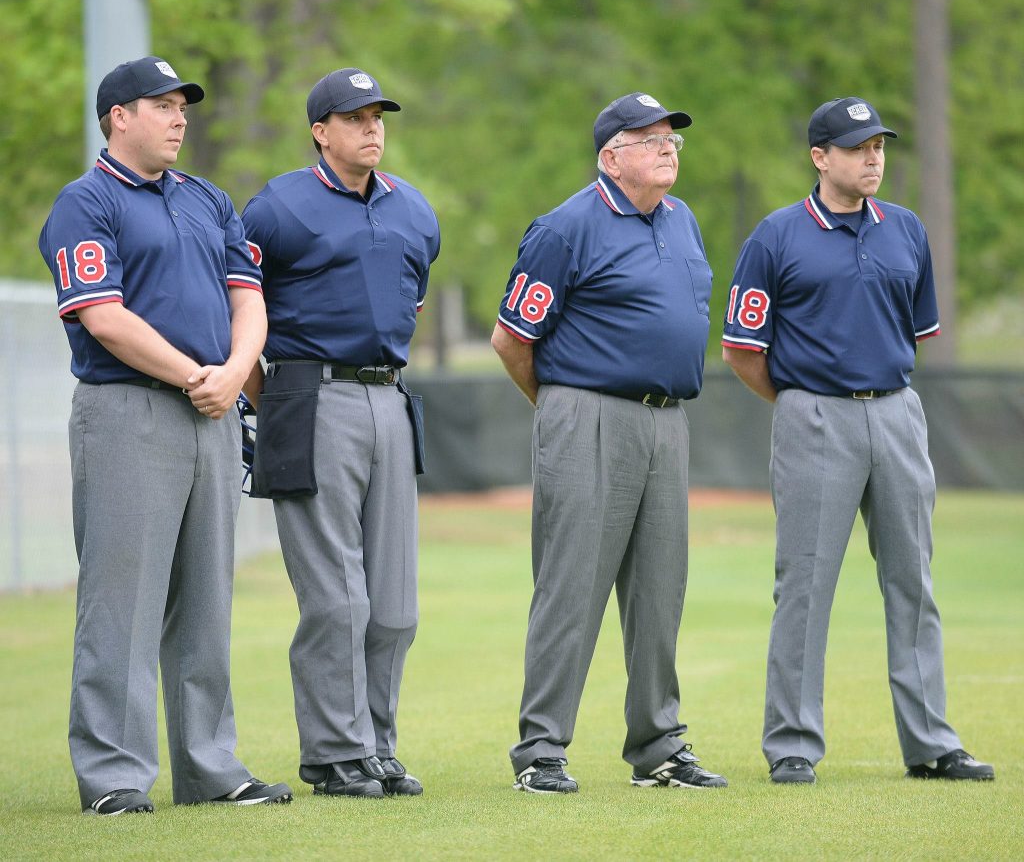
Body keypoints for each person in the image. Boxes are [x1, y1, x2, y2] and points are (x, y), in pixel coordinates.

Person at [38, 56, 292, 815]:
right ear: (119, 115)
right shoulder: (85, 203)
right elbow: (102, 315)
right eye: (162, 104)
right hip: (129, 410)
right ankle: (115, 773)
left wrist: (234, 372)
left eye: (183, 105)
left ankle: (210, 767)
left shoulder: (208, 199)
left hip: (211, 409)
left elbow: (248, 299)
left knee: (207, 597)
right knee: (123, 598)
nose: (180, 116)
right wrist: (196, 374)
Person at [721, 97, 995, 785]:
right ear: (820, 157)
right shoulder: (776, 236)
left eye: (878, 145)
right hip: (813, 414)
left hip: (898, 412)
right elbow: (742, 350)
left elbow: (916, 333)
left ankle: (931, 740)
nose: (873, 157)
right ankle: (792, 742)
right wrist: (801, 403)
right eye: (856, 146)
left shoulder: (905, 229)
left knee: (913, 580)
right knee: (806, 585)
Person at [491, 92, 727, 794]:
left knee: (660, 589)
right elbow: (512, 338)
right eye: (649, 137)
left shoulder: (681, 220)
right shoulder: (568, 226)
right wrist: (563, 405)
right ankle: (540, 750)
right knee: (571, 586)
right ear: (610, 156)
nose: (667, 147)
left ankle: (657, 744)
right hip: (588, 412)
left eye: (672, 138)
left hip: (666, 419)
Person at [240, 68, 439, 799]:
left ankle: (377, 747)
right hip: (310, 395)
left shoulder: (413, 210)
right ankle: (334, 753)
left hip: (388, 397)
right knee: (337, 597)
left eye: (378, 115)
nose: (372, 128)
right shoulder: (278, 207)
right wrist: (270, 396)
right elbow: (238, 303)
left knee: (393, 604)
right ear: (321, 130)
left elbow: (408, 304)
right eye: (354, 118)